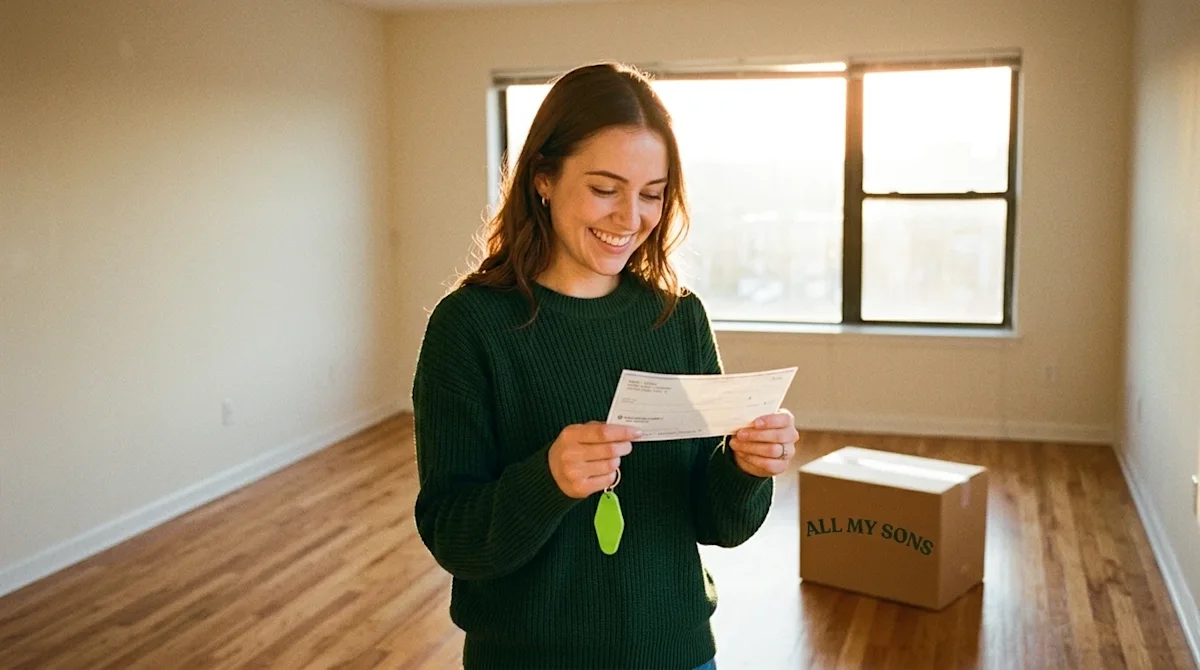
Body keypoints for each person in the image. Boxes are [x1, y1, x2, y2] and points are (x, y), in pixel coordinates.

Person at [411, 61, 800, 670]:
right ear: (543, 177)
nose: (631, 218)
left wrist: (745, 468)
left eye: (652, 194)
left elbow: (716, 523)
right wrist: (548, 479)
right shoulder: (470, 328)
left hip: (678, 652)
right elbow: (454, 535)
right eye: (604, 188)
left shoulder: (679, 319)